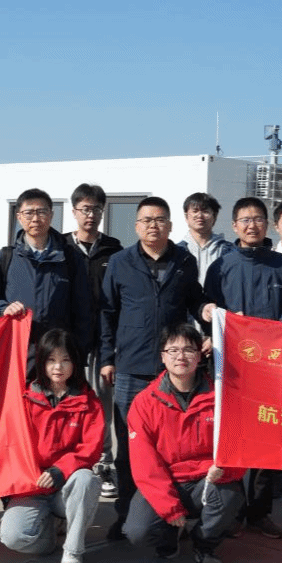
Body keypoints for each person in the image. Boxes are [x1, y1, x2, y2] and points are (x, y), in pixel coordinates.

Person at [99, 197, 208, 541]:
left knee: (175, 446)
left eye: (160, 220)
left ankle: (175, 511)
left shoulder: (184, 261)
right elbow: (107, 312)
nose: (153, 226)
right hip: (131, 367)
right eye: (146, 220)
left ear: (170, 226)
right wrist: (107, 358)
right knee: (130, 448)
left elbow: (194, 299)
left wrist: (206, 312)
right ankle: (127, 513)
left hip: (174, 370)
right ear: (136, 226)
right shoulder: (120, 262)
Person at [202, 197, 282, 539]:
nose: (252, 225)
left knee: (267, 441)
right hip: (232, 368)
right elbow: (208, 311)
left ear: (267, 225)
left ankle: (260, 513)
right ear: (234, 226)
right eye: (245, 220)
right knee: (232, 439)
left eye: (258, 219)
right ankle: (232, 511)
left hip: (273, 369)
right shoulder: (222, 266)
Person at [124, 323, 246, 563]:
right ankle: (170, 538)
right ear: (162, 356)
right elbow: (145, 464)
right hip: (167, 480)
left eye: (189, 349)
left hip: (206, 480)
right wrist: (170, 509)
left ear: (200, 355)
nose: (181, 356)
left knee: (229, 496)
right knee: (138, 531)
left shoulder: (221, 397)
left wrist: (226, 468)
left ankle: (205, 546)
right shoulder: (145, 402)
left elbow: (239, 444)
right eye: (173, 350)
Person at [0, 329, 103, 563]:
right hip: (32, 487)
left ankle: (73, 550)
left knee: (87, 480)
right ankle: (48, 536)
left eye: (65, 359)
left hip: (66, 485)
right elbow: (7, 447)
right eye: (51, 360)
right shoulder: (24, 401)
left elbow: (91, 449)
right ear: (41, 362)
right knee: (12, 537)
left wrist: (61, 470)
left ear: (75, 363)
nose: (58, 367)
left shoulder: (89, 402)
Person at [0, 188, 93, 369]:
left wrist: (78, 353)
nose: (35, 218)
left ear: (51, 215)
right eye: (29, 213)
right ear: (19, 217)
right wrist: (2, 308)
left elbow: (84, 311)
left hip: (57, 359)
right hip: (16, 355)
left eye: (41, 212)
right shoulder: (5, 258)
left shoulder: (70, 258)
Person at [65, 184, 124, 498]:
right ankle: (70, 462)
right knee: (69, 403)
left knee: (101, 404)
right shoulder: (62, 247)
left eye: (97, 209)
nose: (91, 215)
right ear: (74, 211)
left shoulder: (114, 250)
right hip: (67, 343)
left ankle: (104, 463)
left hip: (103, 340)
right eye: (85, 209)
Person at [177, 192, 234, 284]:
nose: (200, 215)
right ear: (186, 216)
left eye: (205, 211)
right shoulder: (176, 251)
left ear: (214, 216)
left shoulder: (230, 251)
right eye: (195, 211)